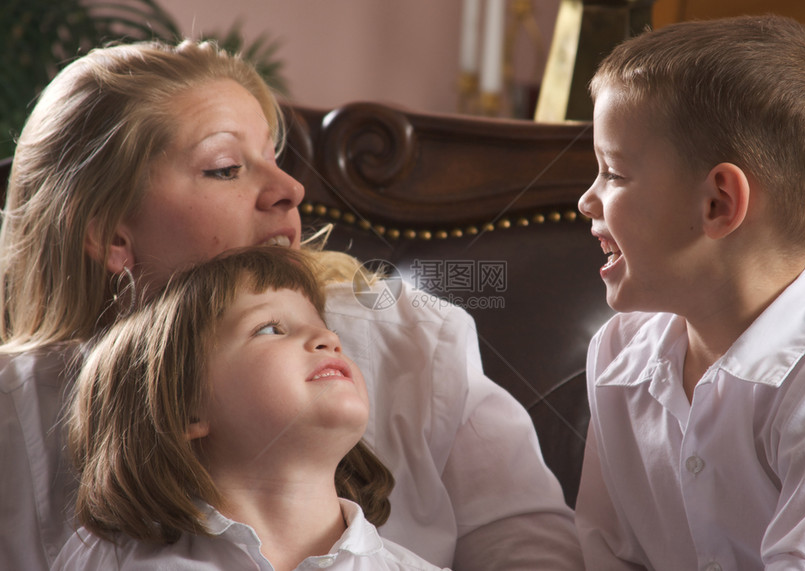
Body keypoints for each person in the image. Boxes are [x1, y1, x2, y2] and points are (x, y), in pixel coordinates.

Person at [0, 40, 579, 570]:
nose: (291, 189)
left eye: (274, 158)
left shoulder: (411, 341)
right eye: (225, 168)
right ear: (111, 235)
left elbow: (529, 549)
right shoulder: (17, 405)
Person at [574, 14, 805, 569]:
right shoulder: (615, 353)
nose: (588, 200)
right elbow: (608, 551)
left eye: (613, 172)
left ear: (718, 203)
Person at [51, 246, 446, 570]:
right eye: (271, 328)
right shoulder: (110, 561)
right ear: (186, 408)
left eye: (326, 329)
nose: (326, 337)